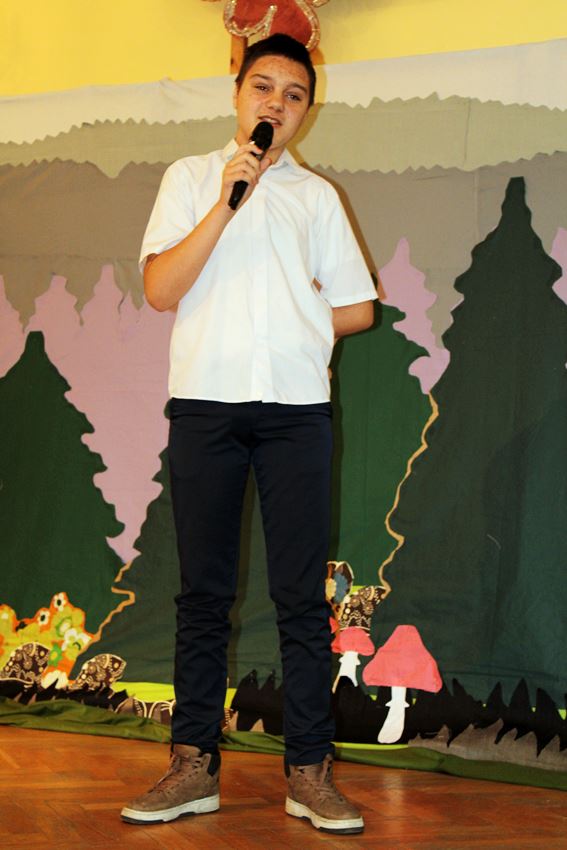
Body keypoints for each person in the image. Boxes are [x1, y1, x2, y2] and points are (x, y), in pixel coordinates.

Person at [121, 33, 377, 835]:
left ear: (306, 112)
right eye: (262, 86)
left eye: (293, 95)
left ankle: (309, 774)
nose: (276, 103)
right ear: (237, 94)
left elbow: (357, 307)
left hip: (296, 412)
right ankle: (192, 766)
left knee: (300, 598)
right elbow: (161, 288)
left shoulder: (317, 198)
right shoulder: (191, 178)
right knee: (202, 595)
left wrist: (299, 320)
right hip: (205, 407)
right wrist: (227, 202)